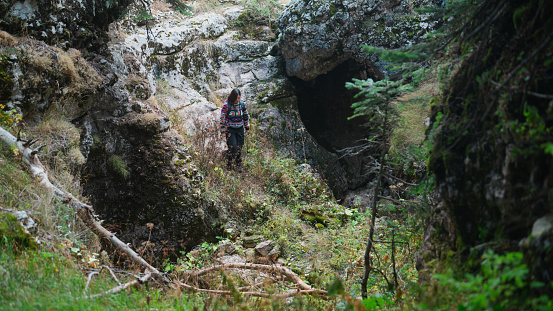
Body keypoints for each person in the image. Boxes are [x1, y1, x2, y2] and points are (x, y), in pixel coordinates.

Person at [220, 88, 250, 172]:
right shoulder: (226, 106)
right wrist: (222, 131)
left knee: (240, 147)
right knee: (233, 147)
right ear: (233, 98)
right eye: (237, 98)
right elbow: (222, 118)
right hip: (230, 129)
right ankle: (229, 165)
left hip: (240, 129)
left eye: (239, 98)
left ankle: (238, 165)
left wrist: (247, 128)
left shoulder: (242, 105)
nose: (238, 100)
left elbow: (245, 117)